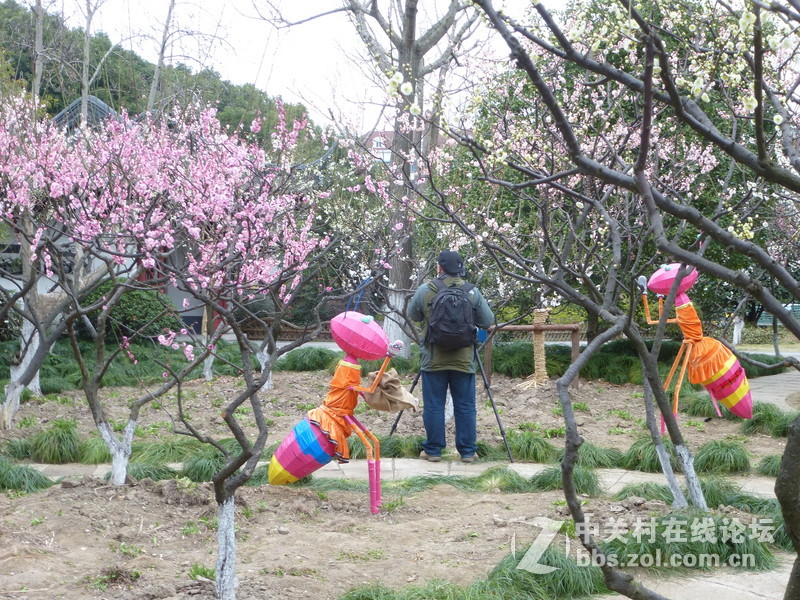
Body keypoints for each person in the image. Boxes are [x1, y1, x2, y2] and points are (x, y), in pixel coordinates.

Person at [408, 250, 495, 463]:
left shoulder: (426, 290)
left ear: (439, 268)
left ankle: (434, 450)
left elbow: (413, 314)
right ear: (460, 269)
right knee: (465, 406)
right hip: (463, 359)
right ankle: (467, 451)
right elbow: (487, 321)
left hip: (433, 358)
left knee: (434, 405)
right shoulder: (472, 292)